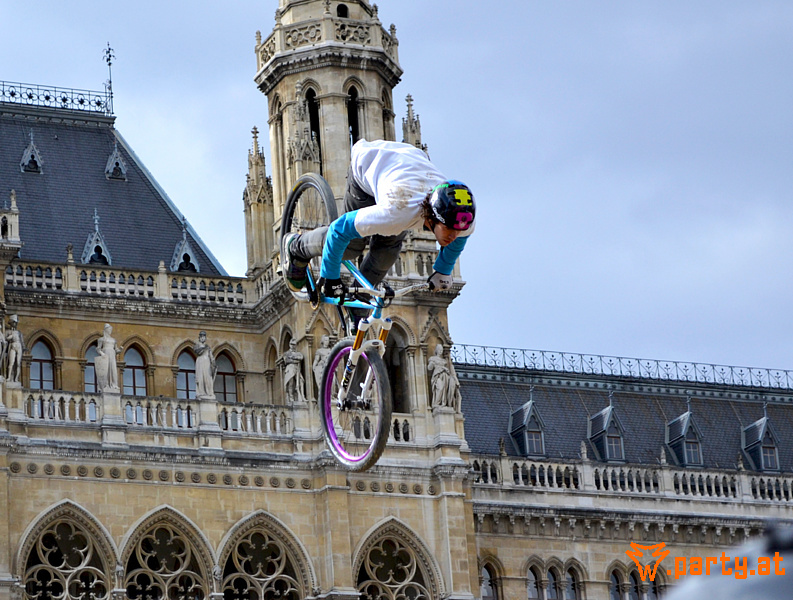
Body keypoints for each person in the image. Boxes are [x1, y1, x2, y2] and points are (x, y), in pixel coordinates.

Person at [282, 139, 476, 311]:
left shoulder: (463, 218)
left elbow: (459, 240)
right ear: (433, 217)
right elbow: (339, 229)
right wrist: (331, 277)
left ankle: (360, 303)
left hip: (406, 168)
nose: (453, 235)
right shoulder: (397, 212)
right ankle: (296, 246)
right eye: (449, 229)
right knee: (351, 248)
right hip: (368, 167)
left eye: (458, 230)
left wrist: (443, 270)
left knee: (386, 253)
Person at [194, 331, 216, 398]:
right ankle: (201, 392)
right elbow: (198, 352)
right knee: (201, 377)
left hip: (207, 362)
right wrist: (204, 348)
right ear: (199, 338)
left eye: (204, 337)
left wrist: (213, 363)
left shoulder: (208, 347)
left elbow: (211, 356)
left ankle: (209, 392)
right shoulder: (196, 346)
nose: (203, 338)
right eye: (201, 337)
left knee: (208, 377)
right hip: (200, 362)